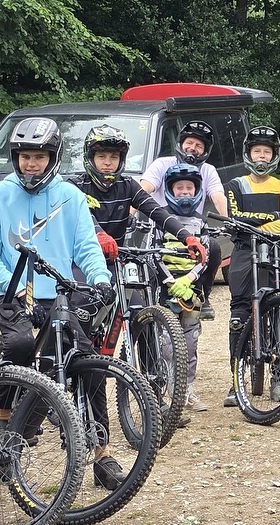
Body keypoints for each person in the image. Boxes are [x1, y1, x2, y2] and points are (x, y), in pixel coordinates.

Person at [0, 116, 124, 490]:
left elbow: (86, 245)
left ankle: (101, 453)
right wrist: (17, 291)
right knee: (21, 344)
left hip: (58, 293)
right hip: (12, 293)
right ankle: (3, 418)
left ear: (52, 157)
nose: (31, 163)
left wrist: (101, 281)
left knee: (88, 362)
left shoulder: (69, 196)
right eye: (24, 156)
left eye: (39, 156)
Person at [70, 125, 206, 411]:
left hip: (117, 258)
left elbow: (158, 212)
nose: (108, 162)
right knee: (81, 317)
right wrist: (99, 235)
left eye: (114, 157)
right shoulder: (76, 186)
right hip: (80, 260)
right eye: (102, 156)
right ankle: (70, 384)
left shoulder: (128, 186)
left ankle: (153, 396)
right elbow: (82, 217)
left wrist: (186, 236)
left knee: (141, 315)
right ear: (90, 158)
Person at [223, 126, 280, 406]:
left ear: (274, 155)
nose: (262, 157)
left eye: (267, 152)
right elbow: (234, 219)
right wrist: (271, 217)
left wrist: (257, 224)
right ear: (248, 154)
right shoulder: (235, 185)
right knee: (239, 312)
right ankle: (236, 380)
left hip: (274, 251)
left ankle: (279, 376)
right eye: (258, 151)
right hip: (244, 252)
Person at [140, 121, 228, 320]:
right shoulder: (162, 164)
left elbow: (217, 196)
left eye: (199, 146)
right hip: (162, 227)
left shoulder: (208, 170)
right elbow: (144, 189)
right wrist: (127, 214)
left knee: (212, 248)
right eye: (189, 143)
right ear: (181, 143)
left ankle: (202, 293)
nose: (193, 149)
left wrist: (228, 220)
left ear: (205, 151)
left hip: (194, 229)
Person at [159, 162, 212, 410]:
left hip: (191, 291)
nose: (184, 192)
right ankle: (165, 391)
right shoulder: (160, 219)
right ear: (170, 190)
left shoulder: (201, 223)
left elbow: (207, 256)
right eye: (179, 187)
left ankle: (187, 391)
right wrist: (170, 281)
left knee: (190, 343)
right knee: (167, 345)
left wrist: (188, 280)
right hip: (166, 290)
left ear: (197, 190)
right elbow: (152, 254)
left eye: (188, 187)